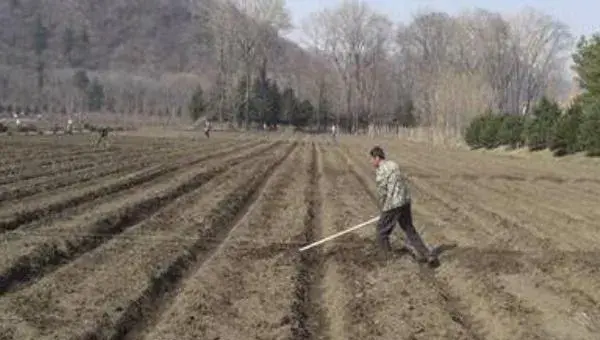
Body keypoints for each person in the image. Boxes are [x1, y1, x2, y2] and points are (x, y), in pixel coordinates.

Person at [370, 146, 437, 265]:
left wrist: (383, 209)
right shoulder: (394, 164)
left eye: (372, 159)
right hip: (405, 201)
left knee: (381, 231)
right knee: (409, 229)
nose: (371, 162)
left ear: (377, 158)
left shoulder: (381, 171)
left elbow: (383, 192)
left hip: (393, 204)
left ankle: (386, 258)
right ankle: (427, 254)